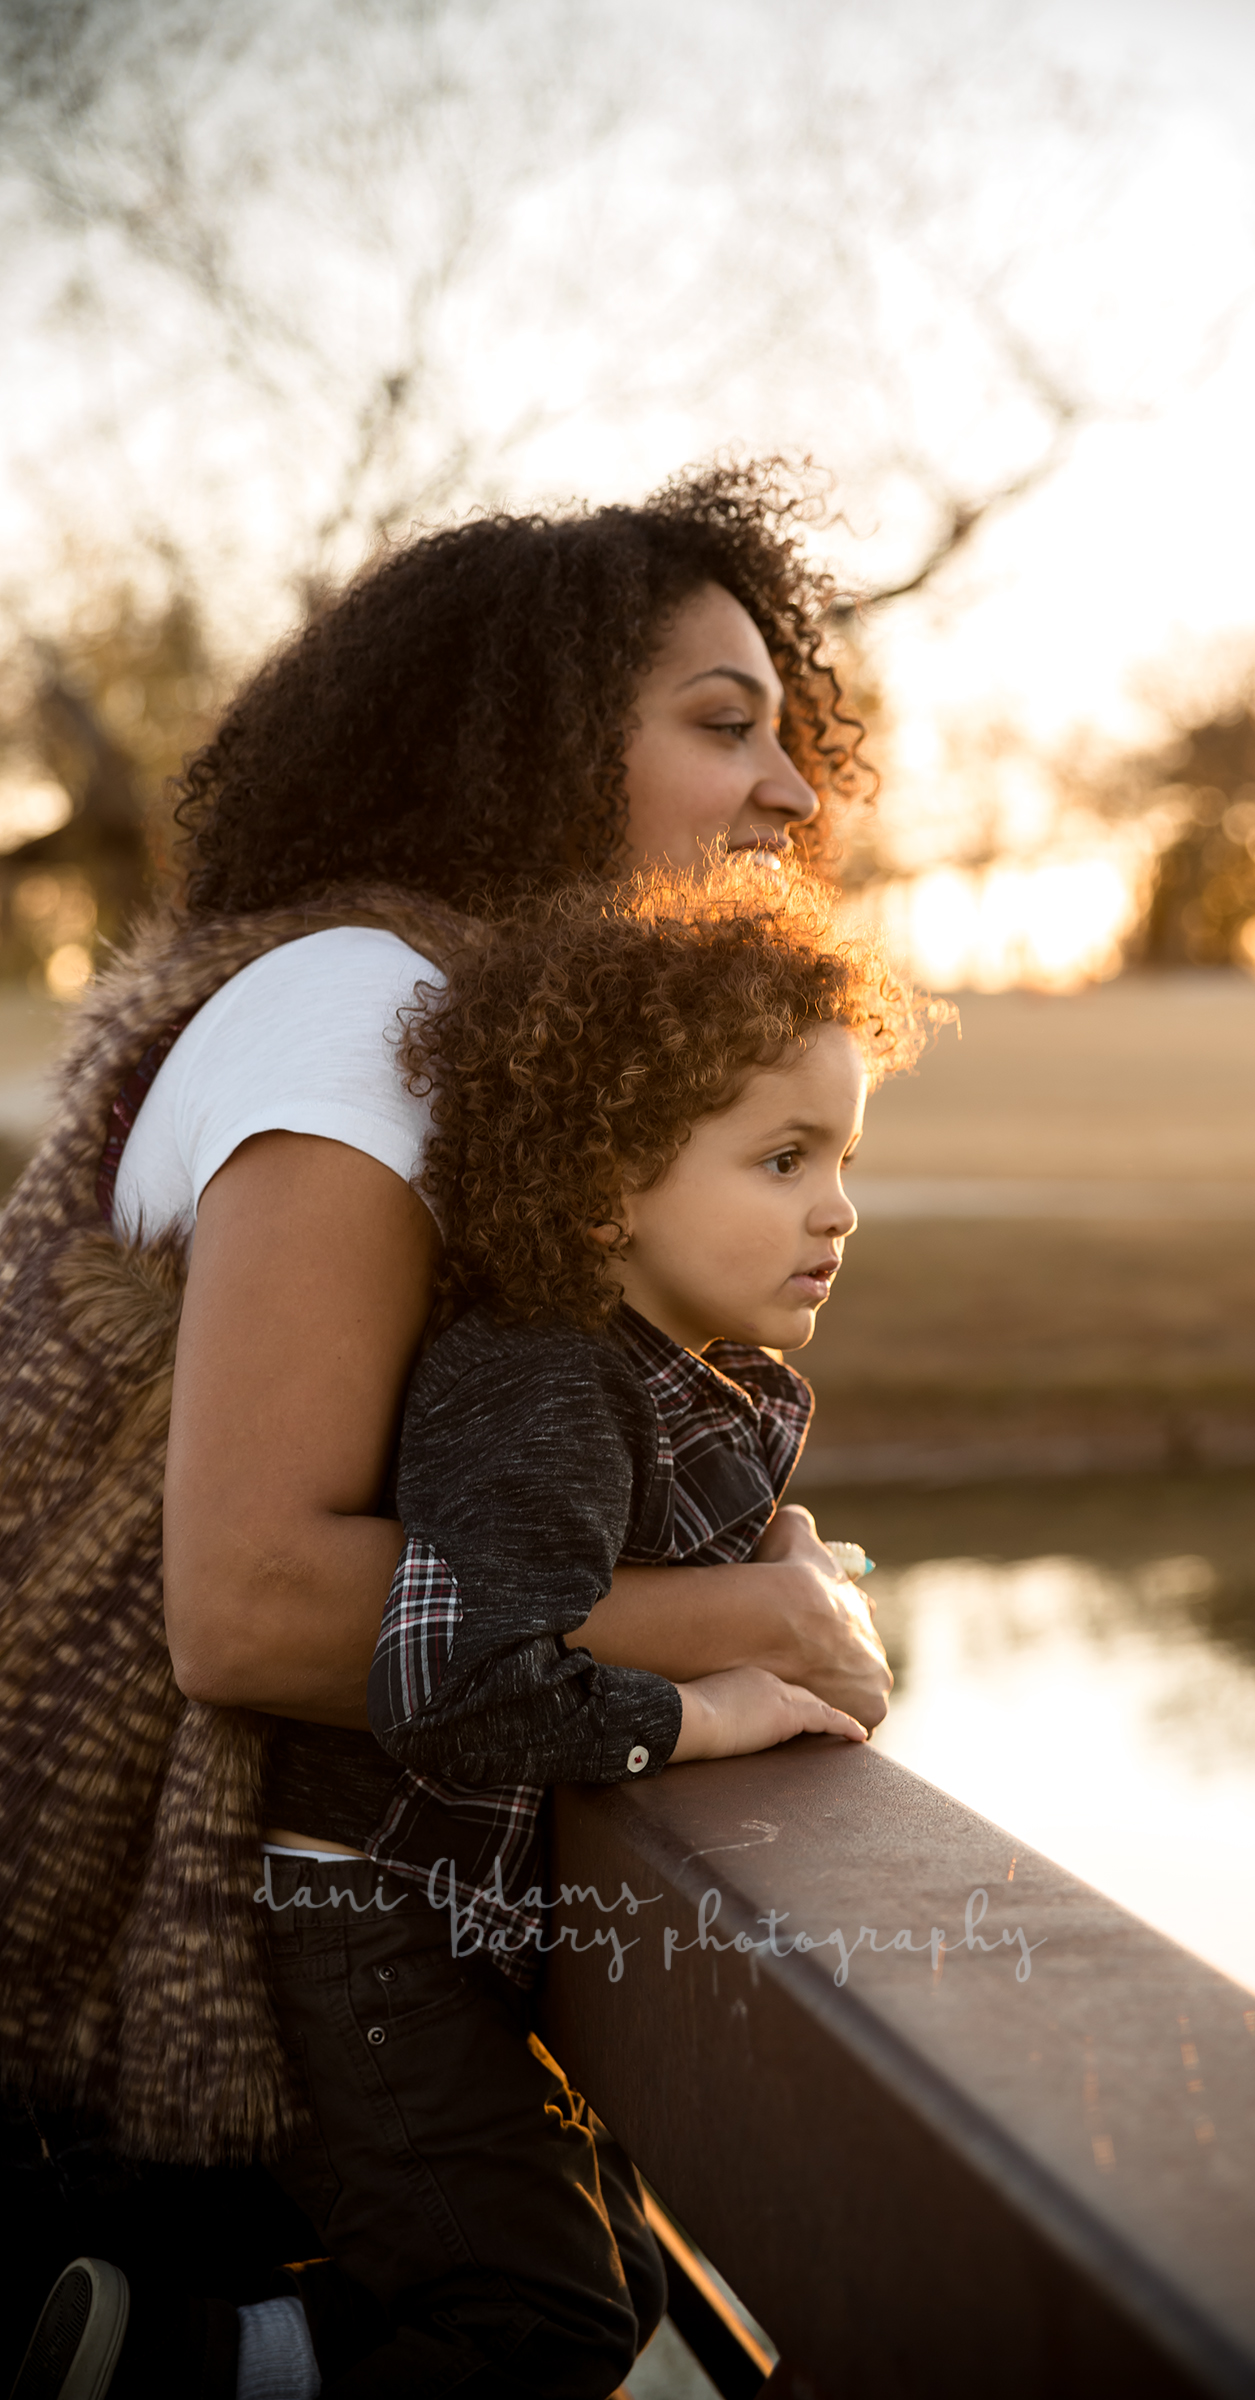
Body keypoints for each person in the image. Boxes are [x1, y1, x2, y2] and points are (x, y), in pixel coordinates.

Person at [0, 464, 896, 2396]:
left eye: (790, 736)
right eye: (721, 727)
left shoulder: (461, 1021)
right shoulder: (362, 1014)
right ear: (528, 749)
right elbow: (240, 1604)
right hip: (203, 1988)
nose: (794, 795)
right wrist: (754, 1627)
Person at [249, 863, 937, 2397]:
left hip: (450, 1912)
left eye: (845, 1157)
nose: (837, 1205)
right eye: (781, 1159)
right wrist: (723, 1711)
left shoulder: (673, 1374)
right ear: (606, 1184)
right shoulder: (542, 1383)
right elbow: (457, 1689)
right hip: (380, 1920)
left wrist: (783, 1563)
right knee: (540, 2317)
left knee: (617, 2277)